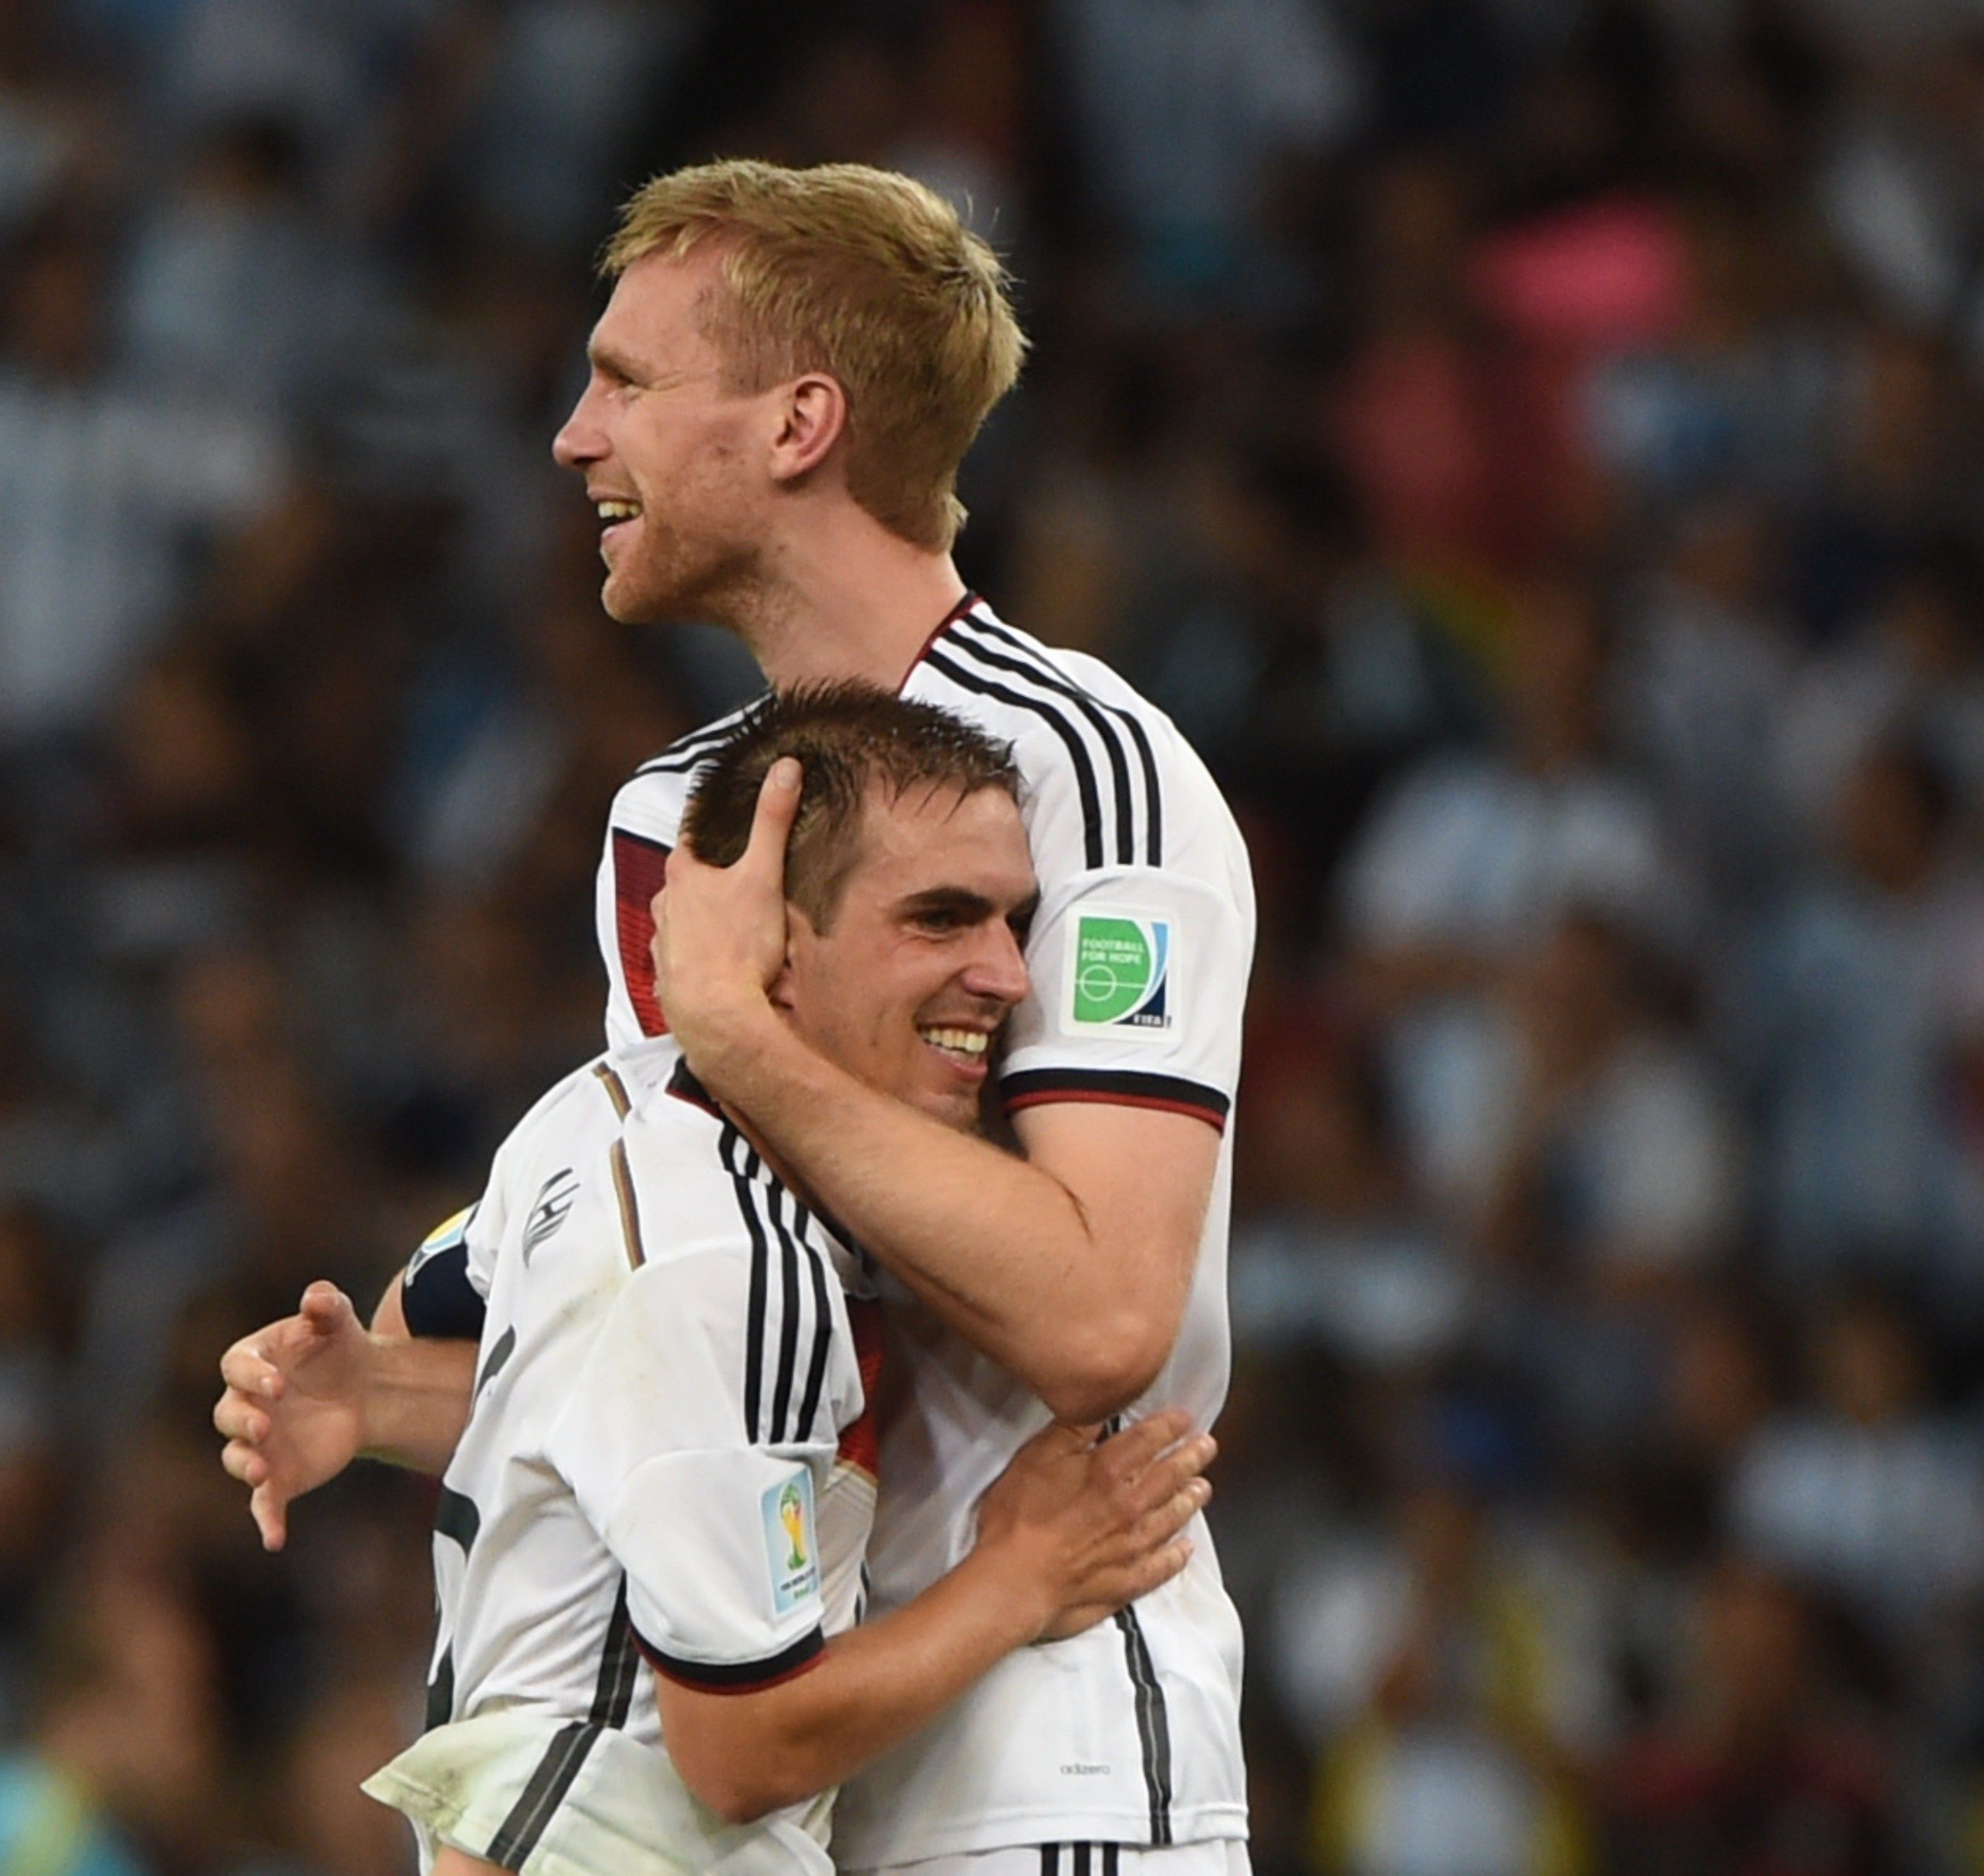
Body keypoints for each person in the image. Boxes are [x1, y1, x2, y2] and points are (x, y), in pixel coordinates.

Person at [223, 158, 1257, 1873]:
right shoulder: (674, 815)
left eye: (627, 381)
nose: (576, 437)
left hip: (1046, 1759)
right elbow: (720, 1305)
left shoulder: (1088, 768)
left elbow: (1100, 1318)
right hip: (784, 1764)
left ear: (798, 425)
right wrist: (401, 1396)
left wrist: (742, 1037)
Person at [235, 690, 1212, 1874]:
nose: (1008, 975)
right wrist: (1024, 1574)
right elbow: (741, 1746)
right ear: (778, 945)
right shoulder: (736, 1263)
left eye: (1014, 922)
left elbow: (447, 1320)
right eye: (940, 920)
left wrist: (377, 1397)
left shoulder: (598, 1111)